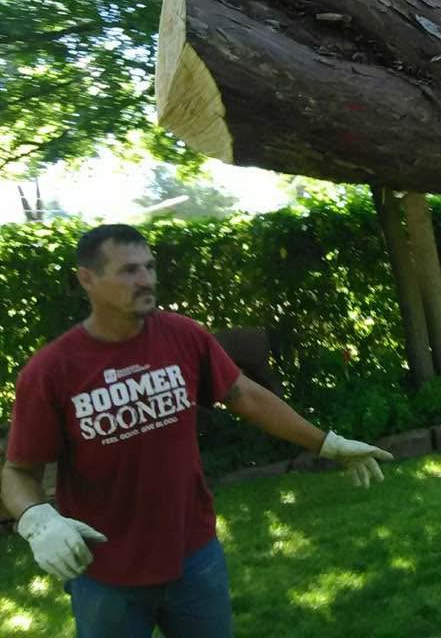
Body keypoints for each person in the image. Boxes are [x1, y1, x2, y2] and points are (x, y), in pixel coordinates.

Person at [1, 224, 394, 637]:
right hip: (105, 572)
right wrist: (36, 520)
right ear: (87, 279)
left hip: (194, 558)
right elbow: (17, 471)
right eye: (129, 271)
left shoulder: (182, 335)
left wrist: (327, 444)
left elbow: (244, 394)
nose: (147, 280)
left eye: (150, 267)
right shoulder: (51, 371)